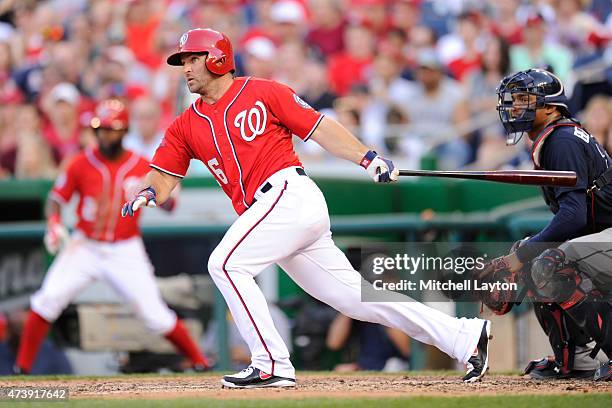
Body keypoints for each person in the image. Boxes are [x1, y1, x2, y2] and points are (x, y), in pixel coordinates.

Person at [122, 28, 491, 388]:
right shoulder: (186, 124)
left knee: (225, 263)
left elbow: (319, 128)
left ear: (218, 59)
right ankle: (465, 335)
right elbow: (164, 176)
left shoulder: (263, 91)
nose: (186, 67)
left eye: (193, 58)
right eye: (183, 60)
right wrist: (146, 193)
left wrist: (368, 158)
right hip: (273, 213)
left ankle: (270, 364)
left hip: (287, 194)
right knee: (355, 300)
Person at [14, 98, 208, 375]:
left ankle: (199, 360)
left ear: (125, 130)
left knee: (154, 314)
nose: (106, 135)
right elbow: (56, 199)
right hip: (85, 245)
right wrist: (54, 222)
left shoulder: (141, 164)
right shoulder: (81, 163)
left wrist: (159, 192)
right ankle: (21, 368)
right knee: (47, 300)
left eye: (113, 129)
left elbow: (170, 206)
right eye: (102, 129)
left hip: (125, 247)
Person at [482, 69, 612, 381]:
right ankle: (574, 361)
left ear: (550, 107)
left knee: (547, 262)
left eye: (525, 100)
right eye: (514, 101)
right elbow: (578, 222)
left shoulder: (562, 140)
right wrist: (523, 255)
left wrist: (521, 256)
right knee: (535, 259)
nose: (515, 107)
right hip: (604, 237)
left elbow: (573, 217)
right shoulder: (556, 137)